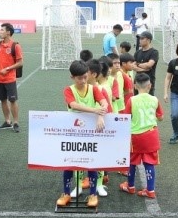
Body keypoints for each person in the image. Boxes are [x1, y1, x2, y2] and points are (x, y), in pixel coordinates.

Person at [57, 60, 108, 208]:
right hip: (73, 132)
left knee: (91, 163)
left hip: (89, 132)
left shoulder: (93, 89)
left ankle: (92, 194)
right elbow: (74, 105)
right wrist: (95, 110)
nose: (84, 80)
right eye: (80, 78)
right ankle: (66, 193)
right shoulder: (68, 90)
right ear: (72, 77)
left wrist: (100, 114)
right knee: (69, 163)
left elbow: (104, 102)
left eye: (85, 77)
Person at [120, 72, 163, 200]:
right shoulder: (155, 99)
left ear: (135, 86)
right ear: (150, 85)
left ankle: (130, 186)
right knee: (149, 163)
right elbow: (161, 117)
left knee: (132, 162)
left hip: (136, 136)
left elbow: (126, 117)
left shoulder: (132, 100)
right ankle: (150, 190)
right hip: (151, 135)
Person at [0, 23, 23, 132]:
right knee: (3, 100)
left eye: (2, 30)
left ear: (8, 32)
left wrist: (7, 69)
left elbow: (20, 63)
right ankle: (7, 121)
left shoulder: (15, 46)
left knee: (12, 100)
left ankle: (15, 122)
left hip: (10, 78)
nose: (0, 32)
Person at [133, 31, 159, 95]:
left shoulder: (154, 52)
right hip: (137, 81)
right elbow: (133, 66)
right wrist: (143, 69)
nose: (140, 40)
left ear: (148, 40)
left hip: (148, 82)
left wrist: (137, 65)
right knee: (136, 99)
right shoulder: (137, 52)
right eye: (140, 39)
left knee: (149, 100)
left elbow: (149, 65)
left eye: (142, 38)